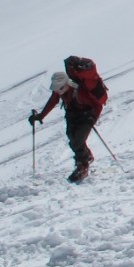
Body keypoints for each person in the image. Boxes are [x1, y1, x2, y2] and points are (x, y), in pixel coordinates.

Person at [30, 55, 109, 183]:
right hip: (73, 113)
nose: (58, 92)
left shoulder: (80, 89)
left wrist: (92, 118)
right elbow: (53, 99)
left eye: (60, 89)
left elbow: (97, 105)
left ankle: (82, 165)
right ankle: (86, 157)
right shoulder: (62, 87)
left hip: (86, 114)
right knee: (72, 138)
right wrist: (41, 116)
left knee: (77, 140)